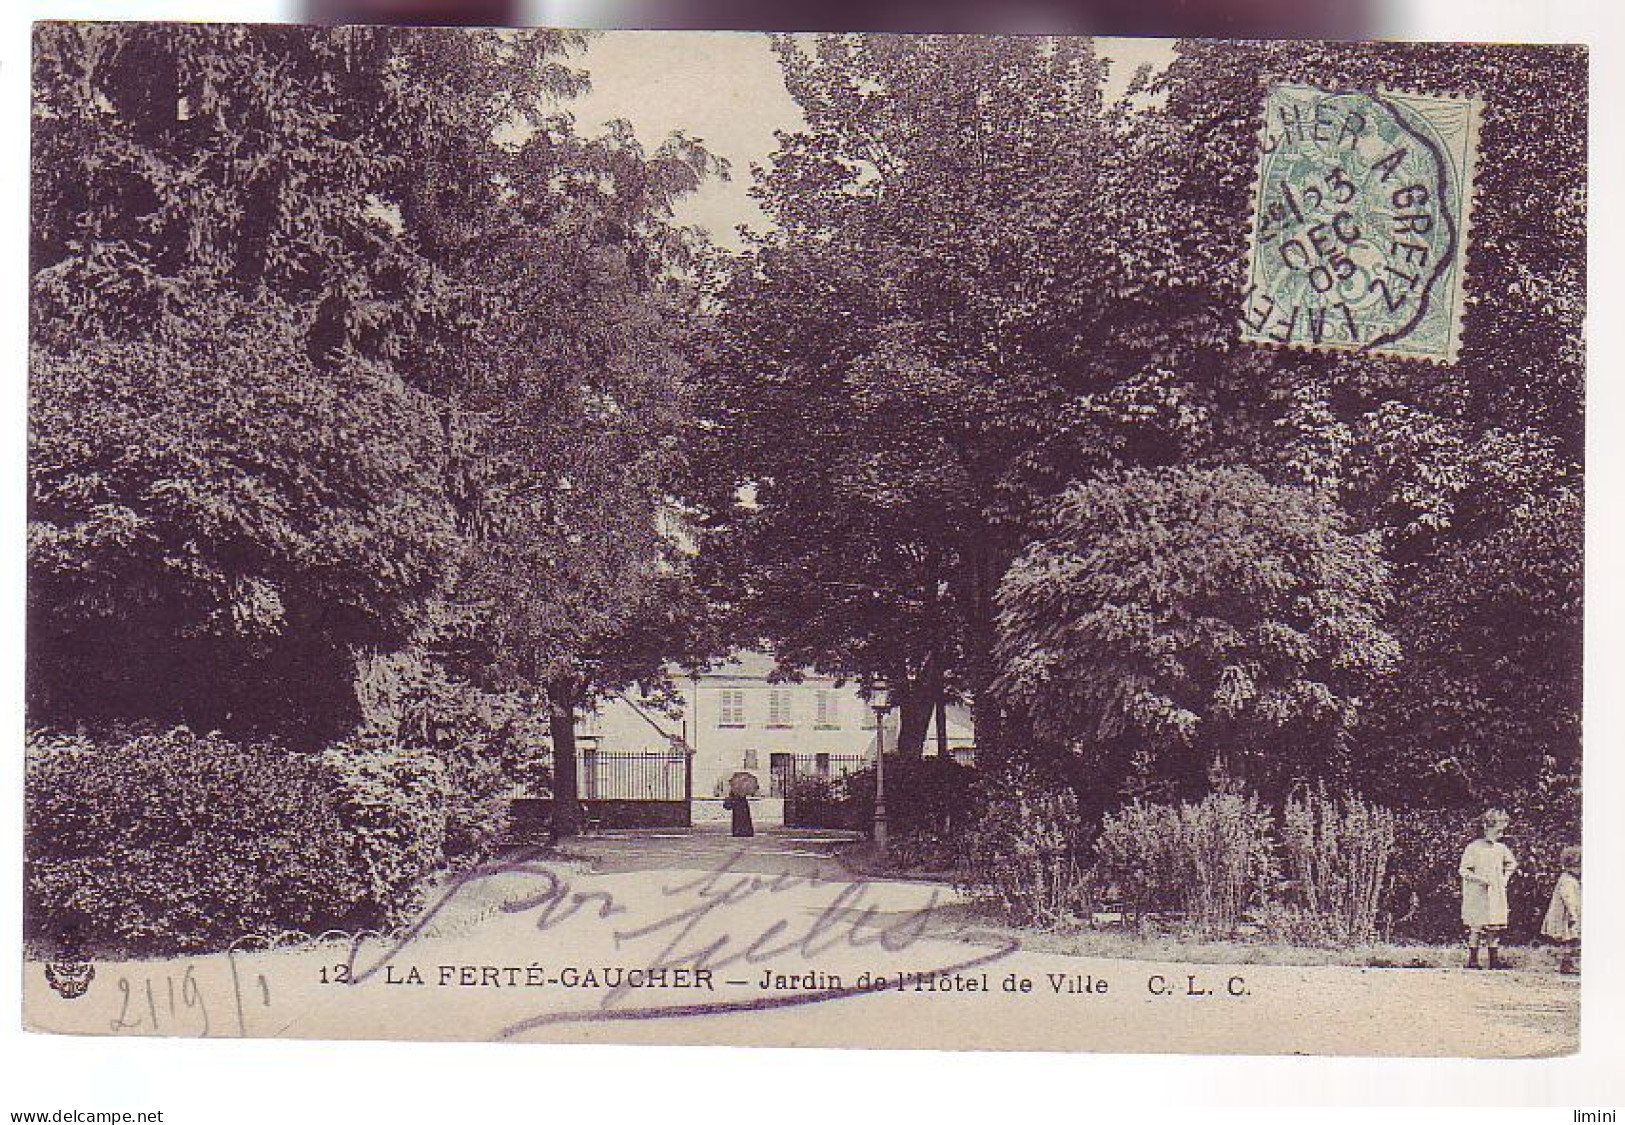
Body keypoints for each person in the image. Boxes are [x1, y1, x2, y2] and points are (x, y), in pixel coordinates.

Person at [1459, 807, 1518, 970]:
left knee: (1494, 926)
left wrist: (1505, 878)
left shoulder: (1500, 849)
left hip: (1495, 893)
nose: (1501, 835)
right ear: (1486, 827)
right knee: (1476, 927)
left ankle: (1494, 960)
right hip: (1478, 893)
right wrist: (1479, 879)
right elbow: (1463, 870)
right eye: (1498, 831)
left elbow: (1512, 863)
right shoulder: (1474, 848)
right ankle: (1472, 960)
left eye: (1502, 832)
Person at [1541, 845, 1581, 975]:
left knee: (1570, 940)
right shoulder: (1568, 881)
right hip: (1566, 916)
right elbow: (1568, 898)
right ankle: (1567, 964)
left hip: (1567, 913)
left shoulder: (1567, 878)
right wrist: (1573, 914)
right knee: (1569, 939)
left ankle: (1567, 962)